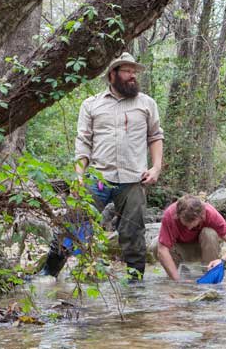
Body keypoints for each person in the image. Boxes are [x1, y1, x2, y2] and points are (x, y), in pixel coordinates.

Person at [41, 52, 164, 280]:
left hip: (134, 179)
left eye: (133, 72)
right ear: (112, 75)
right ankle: (48, 275)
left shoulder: (147, 103)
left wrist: (156, 168)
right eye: (126, 71)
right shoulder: (91, 104)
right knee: (74, 225)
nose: (132, 76)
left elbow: (155, 137)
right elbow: (83, 143)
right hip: (98, 178)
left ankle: (135, 284)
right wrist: (79, 176)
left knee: (133, 232)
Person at [151, 195, 226, 281]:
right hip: (179, 250)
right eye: (185, 223)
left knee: (209, 233)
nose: (188, 228)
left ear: (201, 216)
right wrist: (177, 281)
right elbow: (162, 250)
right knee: (156, 244)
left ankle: (210, 276)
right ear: (178, 215)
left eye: (192, 223)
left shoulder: (210, 212)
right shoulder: (170, 214)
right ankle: (173, 276)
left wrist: (222, 261)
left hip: (204, 249)